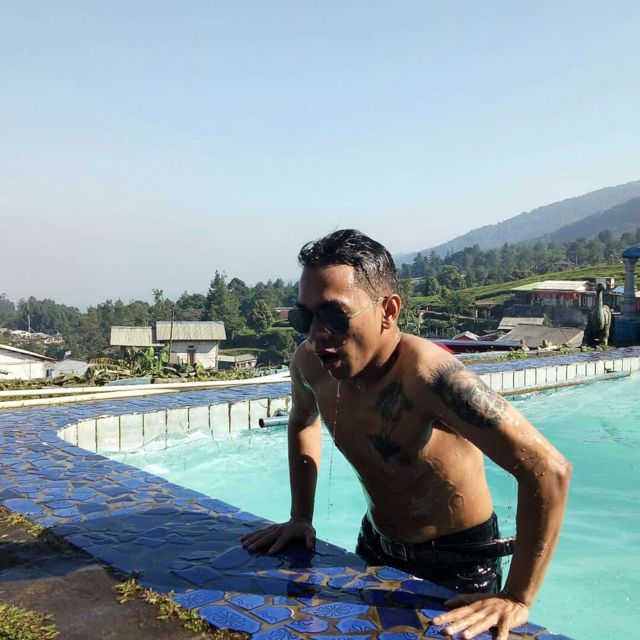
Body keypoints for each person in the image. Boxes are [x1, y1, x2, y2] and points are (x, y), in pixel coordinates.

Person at [241, 229, 571, 640]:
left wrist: (518, 597)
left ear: (388, 311)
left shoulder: (430, 378)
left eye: (335, 316)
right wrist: (300, 517)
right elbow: (303, 420)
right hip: (376, 543)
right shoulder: (311, 364)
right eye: (305, 317)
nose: (317, 334)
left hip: (459, 561)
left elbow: (547, 469)